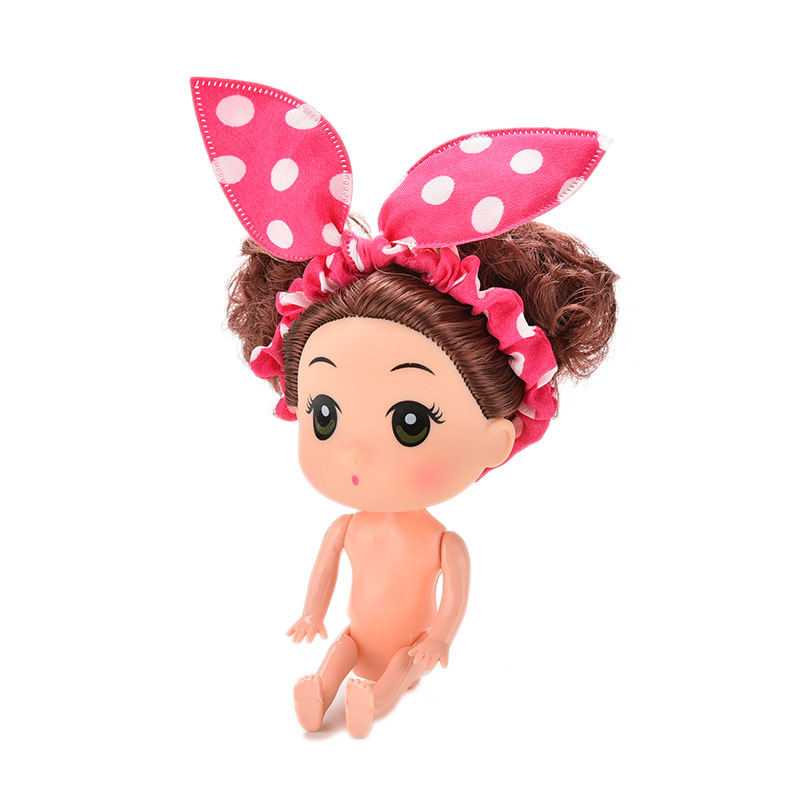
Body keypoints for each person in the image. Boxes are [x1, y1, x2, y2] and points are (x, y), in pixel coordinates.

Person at [192, 77, 618, 737]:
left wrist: (440, 638)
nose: (356, 451)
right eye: (325, 416)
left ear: (498, 438)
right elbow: (324, 577)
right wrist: (312, 613)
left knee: (397, 669)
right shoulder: (347, 528)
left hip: (412, 643)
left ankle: (376, 698)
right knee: (341, 651)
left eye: (409, 422)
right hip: (354, 632)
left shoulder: (444, 543)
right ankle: (322, 691)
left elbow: (451, 604)